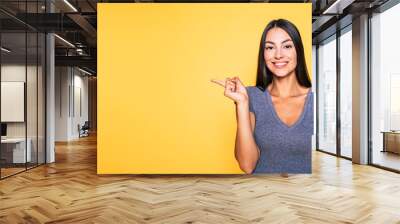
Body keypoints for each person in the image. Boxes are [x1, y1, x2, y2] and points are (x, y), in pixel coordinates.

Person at [211, 19, 313, 175]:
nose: (278, 55)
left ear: (298, 50)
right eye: (270, 47)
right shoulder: (251, 96)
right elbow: (247, 165)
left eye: (286, 46)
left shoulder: (315, 100)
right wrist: (242, 104)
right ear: (263, 54)